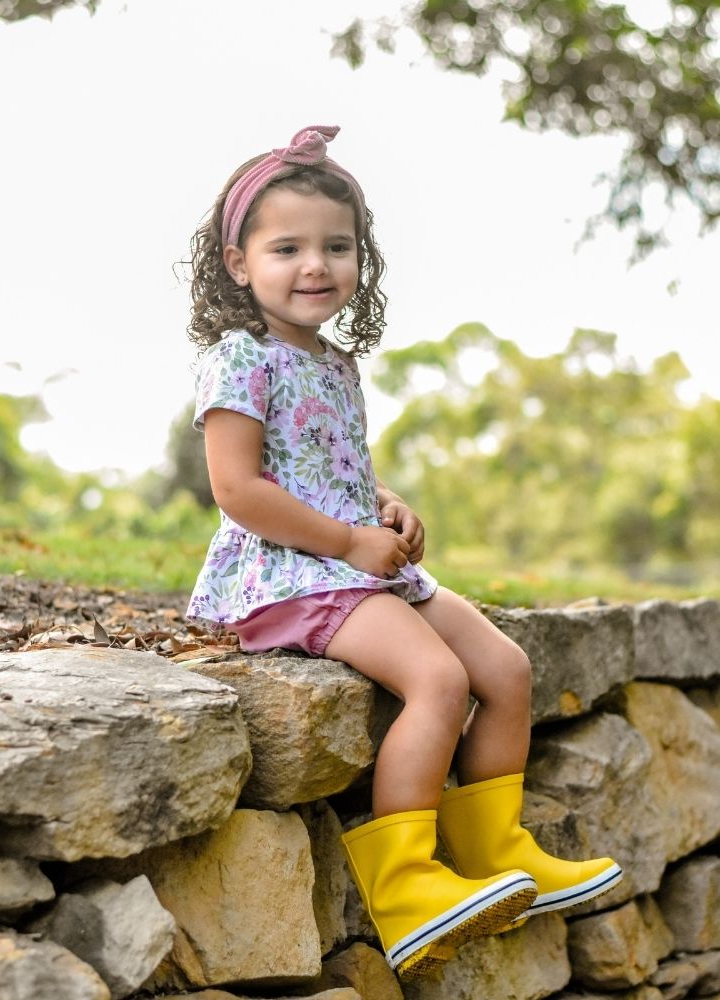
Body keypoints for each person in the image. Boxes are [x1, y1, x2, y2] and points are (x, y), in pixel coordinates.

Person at [185, 125, 622, 981]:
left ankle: (496, 848)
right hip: (290, 574)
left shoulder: (336, 363)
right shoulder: (243, 356)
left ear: (361, 257)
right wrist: (350, 538)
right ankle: (406, 884)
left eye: (336, 246)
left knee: (504, 668)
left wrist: (382, 508)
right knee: (440, 680)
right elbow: (240, 489)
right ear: (239, 264)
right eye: (288, 248)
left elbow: (327, 470)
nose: (316, 265)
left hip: (353, 562)